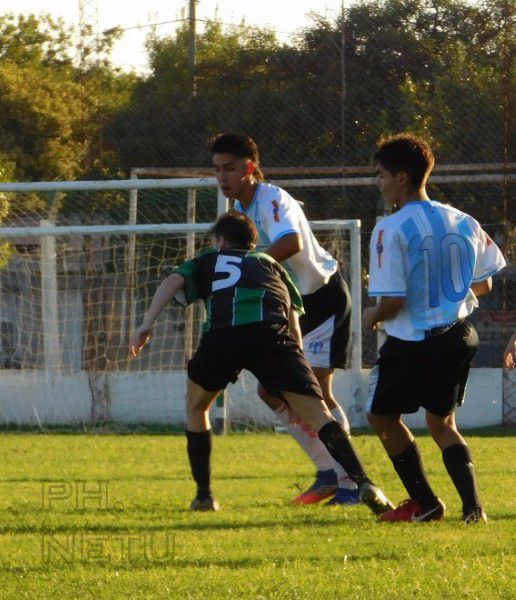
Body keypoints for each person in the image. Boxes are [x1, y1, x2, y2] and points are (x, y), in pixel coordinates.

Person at [130, 211, 393, 516]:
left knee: (196, 406)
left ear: (221, 240)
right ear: (253, 243)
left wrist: (146, 324)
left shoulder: (208, 258)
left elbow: (173, 280)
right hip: (272, 336)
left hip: (222, 336)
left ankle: (204, 496)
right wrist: (296, 367)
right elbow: (292, 315)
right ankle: (362, 481)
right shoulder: (271, 264)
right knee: (319, 415)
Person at [208, 132, 359, 505]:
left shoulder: (272, 198)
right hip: (291, 307)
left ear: (251, 169)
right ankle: (328, 473)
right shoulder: (239, 214)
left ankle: (351, 482)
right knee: (270, 390)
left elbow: (291, 243)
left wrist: (250, 267)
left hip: (322, 299)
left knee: (317, 393)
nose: (222, 177)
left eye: (229, 169)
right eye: (217, 170)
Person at [364, 134, 506, 523]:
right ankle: (474, 508)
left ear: (403, 178)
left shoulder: (390, 229)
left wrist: (370, 317)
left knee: (382, 418)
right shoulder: (463, 219)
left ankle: (425, 503)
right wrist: (449, 290)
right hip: (460, 335)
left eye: (381, 176)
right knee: (442, 424)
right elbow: (486, 282)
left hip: (415, 340)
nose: (379, 183)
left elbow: (392, 302)